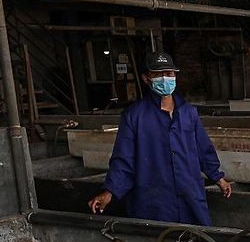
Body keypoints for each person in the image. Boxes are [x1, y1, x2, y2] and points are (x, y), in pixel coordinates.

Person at [88, 51, 231, 224]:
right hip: (154, 201)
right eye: (158, 74)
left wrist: (218, 178)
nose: (165, 79)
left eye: (169, 74)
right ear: (146, 78)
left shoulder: (188, 113)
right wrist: (109, 192)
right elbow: (124, 160)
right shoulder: (134, 116)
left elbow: (203, 149)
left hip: (190, 197)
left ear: (175, 76)